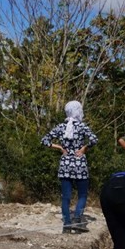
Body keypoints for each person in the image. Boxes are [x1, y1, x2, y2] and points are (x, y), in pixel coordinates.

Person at [41, 100, 98, 233]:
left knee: (66, 197)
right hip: (80, 164)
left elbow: (44, 140)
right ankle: (78, 220)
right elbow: (94, 140)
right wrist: (84, 148)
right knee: (82, 194)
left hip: (65, 164)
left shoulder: (60, 127)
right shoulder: (82, 127)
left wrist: (60, 147)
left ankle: (66, 224)